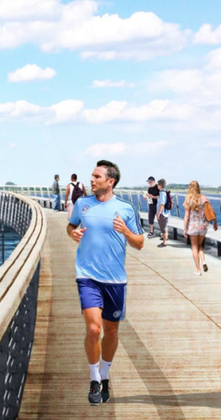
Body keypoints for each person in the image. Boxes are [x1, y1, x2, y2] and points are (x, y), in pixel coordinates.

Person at [67, 160, 144, 405]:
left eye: (97, 176)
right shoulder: (82, 204)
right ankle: (93, 378)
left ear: (110, 181)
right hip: (87, 276)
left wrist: (126, 232)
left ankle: (106, 375)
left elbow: (139, 243)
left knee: (110, 331)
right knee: (93, 329)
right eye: (91, 175)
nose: (91, 180)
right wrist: (73, 233)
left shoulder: (125, 209)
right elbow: (71, 226)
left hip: (115, 280)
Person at [183, 181, 218, 275]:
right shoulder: (204, 198)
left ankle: (198, 270)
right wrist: (215, 223)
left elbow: (186, 216)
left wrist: (185, 229)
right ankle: (204, 261)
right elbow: (211, 211)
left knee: (194, 247)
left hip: (193, 227)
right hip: (203, 226)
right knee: (200, 245)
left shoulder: (188, 199)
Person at [155, 179, 172, 248]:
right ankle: (165, 239)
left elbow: (162, 204)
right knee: (165, 227)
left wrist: (158, 213)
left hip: (163, 214)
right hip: (166, 213)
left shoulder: (162, 193)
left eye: (158, 185)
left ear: (160, 185)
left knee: (163, 228)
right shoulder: (165, 192)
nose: (157, 186)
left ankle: (164, 242)